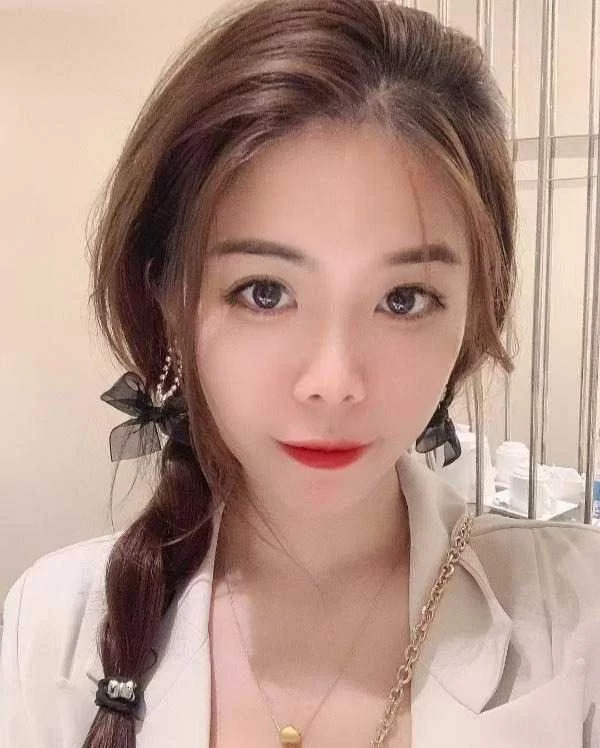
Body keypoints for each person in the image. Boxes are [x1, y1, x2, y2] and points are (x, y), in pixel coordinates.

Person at [2, 0, 600, 746]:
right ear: (167, 301)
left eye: (404, 299)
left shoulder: (577, 618)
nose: (333, 380)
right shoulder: (53, 627)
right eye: (265, 293)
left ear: (475, 309)